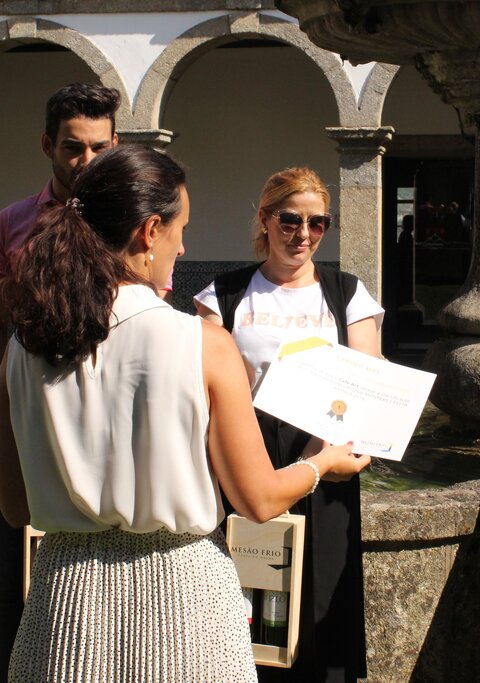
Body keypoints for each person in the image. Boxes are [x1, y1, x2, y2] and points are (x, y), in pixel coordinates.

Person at [0, 145, 371, 682]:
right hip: (183, 599)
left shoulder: (23, 346)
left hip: (65, 601)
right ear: (149, 232)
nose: (184, 245)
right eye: (181, 228)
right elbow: (258, 498)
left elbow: (14, 505)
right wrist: (322, 463)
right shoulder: (204, 344)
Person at [193, 167, 384, 683]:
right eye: (290, 220)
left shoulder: (348, 294)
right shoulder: (224, 297)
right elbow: (202, 392)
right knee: (247, 609)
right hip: (246, 462)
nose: (303, 234)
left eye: (318, 223)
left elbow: (368, 386)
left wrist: (343, 449)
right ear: (264, 218)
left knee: (324, 611)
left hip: (328, 466)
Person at [0, 82, 122, 680]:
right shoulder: (12, 223)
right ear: (47, 144)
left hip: (107, 426)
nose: (86, 161)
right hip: (30, 418)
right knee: (15, 565)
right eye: (72, 147)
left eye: (99, 148)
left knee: (102, 564)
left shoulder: (129, 219)